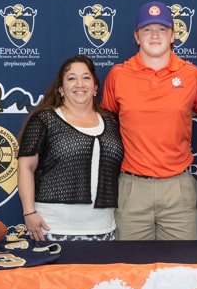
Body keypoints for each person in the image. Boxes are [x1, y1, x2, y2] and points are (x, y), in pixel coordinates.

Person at [101, 1, 197, 240]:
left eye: (162, 29)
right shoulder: (118, 75)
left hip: (178, 188)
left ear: (173, 36)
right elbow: (105, 125)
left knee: (181, 271)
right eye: (147, 29)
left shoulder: (193, 76)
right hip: (132, 188)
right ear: (137, 36)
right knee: (132, 273)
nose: (155, 35)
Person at [17, 55, 124, 241]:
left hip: (103, 229)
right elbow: (25, 167)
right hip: (52, 228)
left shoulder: (112, 121)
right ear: (61, 89)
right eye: (71, 78)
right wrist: (29, 213)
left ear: (95, 87)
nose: (79, 84)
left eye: (86, 77)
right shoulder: (45, 120)